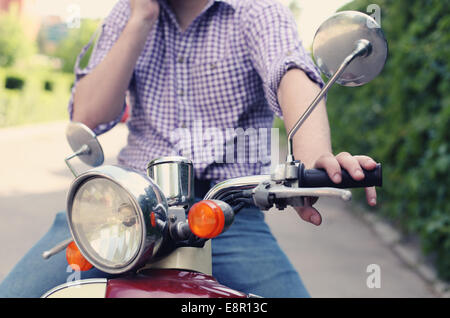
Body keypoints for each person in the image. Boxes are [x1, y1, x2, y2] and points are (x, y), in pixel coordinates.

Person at [0, 0, 378, 298]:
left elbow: (292, 75)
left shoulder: (257, 11)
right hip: (125, 210)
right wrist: (141, 18)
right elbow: (88, 116)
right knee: (19, 293)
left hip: (226, 213)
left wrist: (313, 160)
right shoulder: (128, 13)